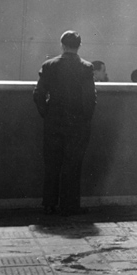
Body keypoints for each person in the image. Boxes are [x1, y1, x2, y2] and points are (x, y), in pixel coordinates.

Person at [33, 30, 97, 216]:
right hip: (77, 123)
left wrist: (47, 113)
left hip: (53, 121)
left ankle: (49, 203)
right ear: (79, 45)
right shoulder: (86, 67)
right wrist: (86, 119)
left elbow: (38, 94)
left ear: (62, 45)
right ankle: (70, 206)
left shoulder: (49, 65)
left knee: (52, 163)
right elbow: (90, 97)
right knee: (73, 165)